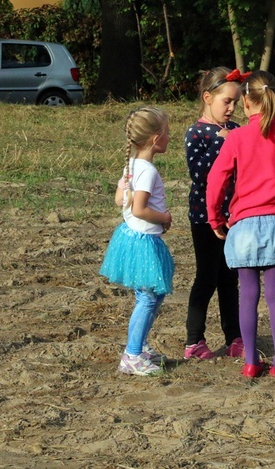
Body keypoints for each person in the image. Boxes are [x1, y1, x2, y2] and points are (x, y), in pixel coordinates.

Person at [206, 70, 275, 379]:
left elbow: (216, 180)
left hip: (242, 227)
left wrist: (216, 218)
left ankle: (250, 362)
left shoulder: (237, 138)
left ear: (245, 102)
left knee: (248, 295)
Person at [100, 107, 174, 375]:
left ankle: (138, 346)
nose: (169, 138)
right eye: (167, 133)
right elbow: (140, 208)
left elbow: (120, 200)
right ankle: (132, 355)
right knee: (147, 297)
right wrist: (164, 216)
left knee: (153, 295)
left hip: (133, 237)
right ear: (155, 139)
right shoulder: (148, 171)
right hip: (143, 241)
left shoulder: (131, 164)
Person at [183, 67, 250, 360]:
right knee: (206, 277)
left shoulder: (237, 130)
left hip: (235, 218)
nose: (232, 108)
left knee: (229, 278)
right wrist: (222, 144)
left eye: (236, 102)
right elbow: (201, 176)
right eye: (226, 101)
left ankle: (235, 337)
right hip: (205, 218)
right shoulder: (197, 133)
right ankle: (194, 340)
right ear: (208, 97)